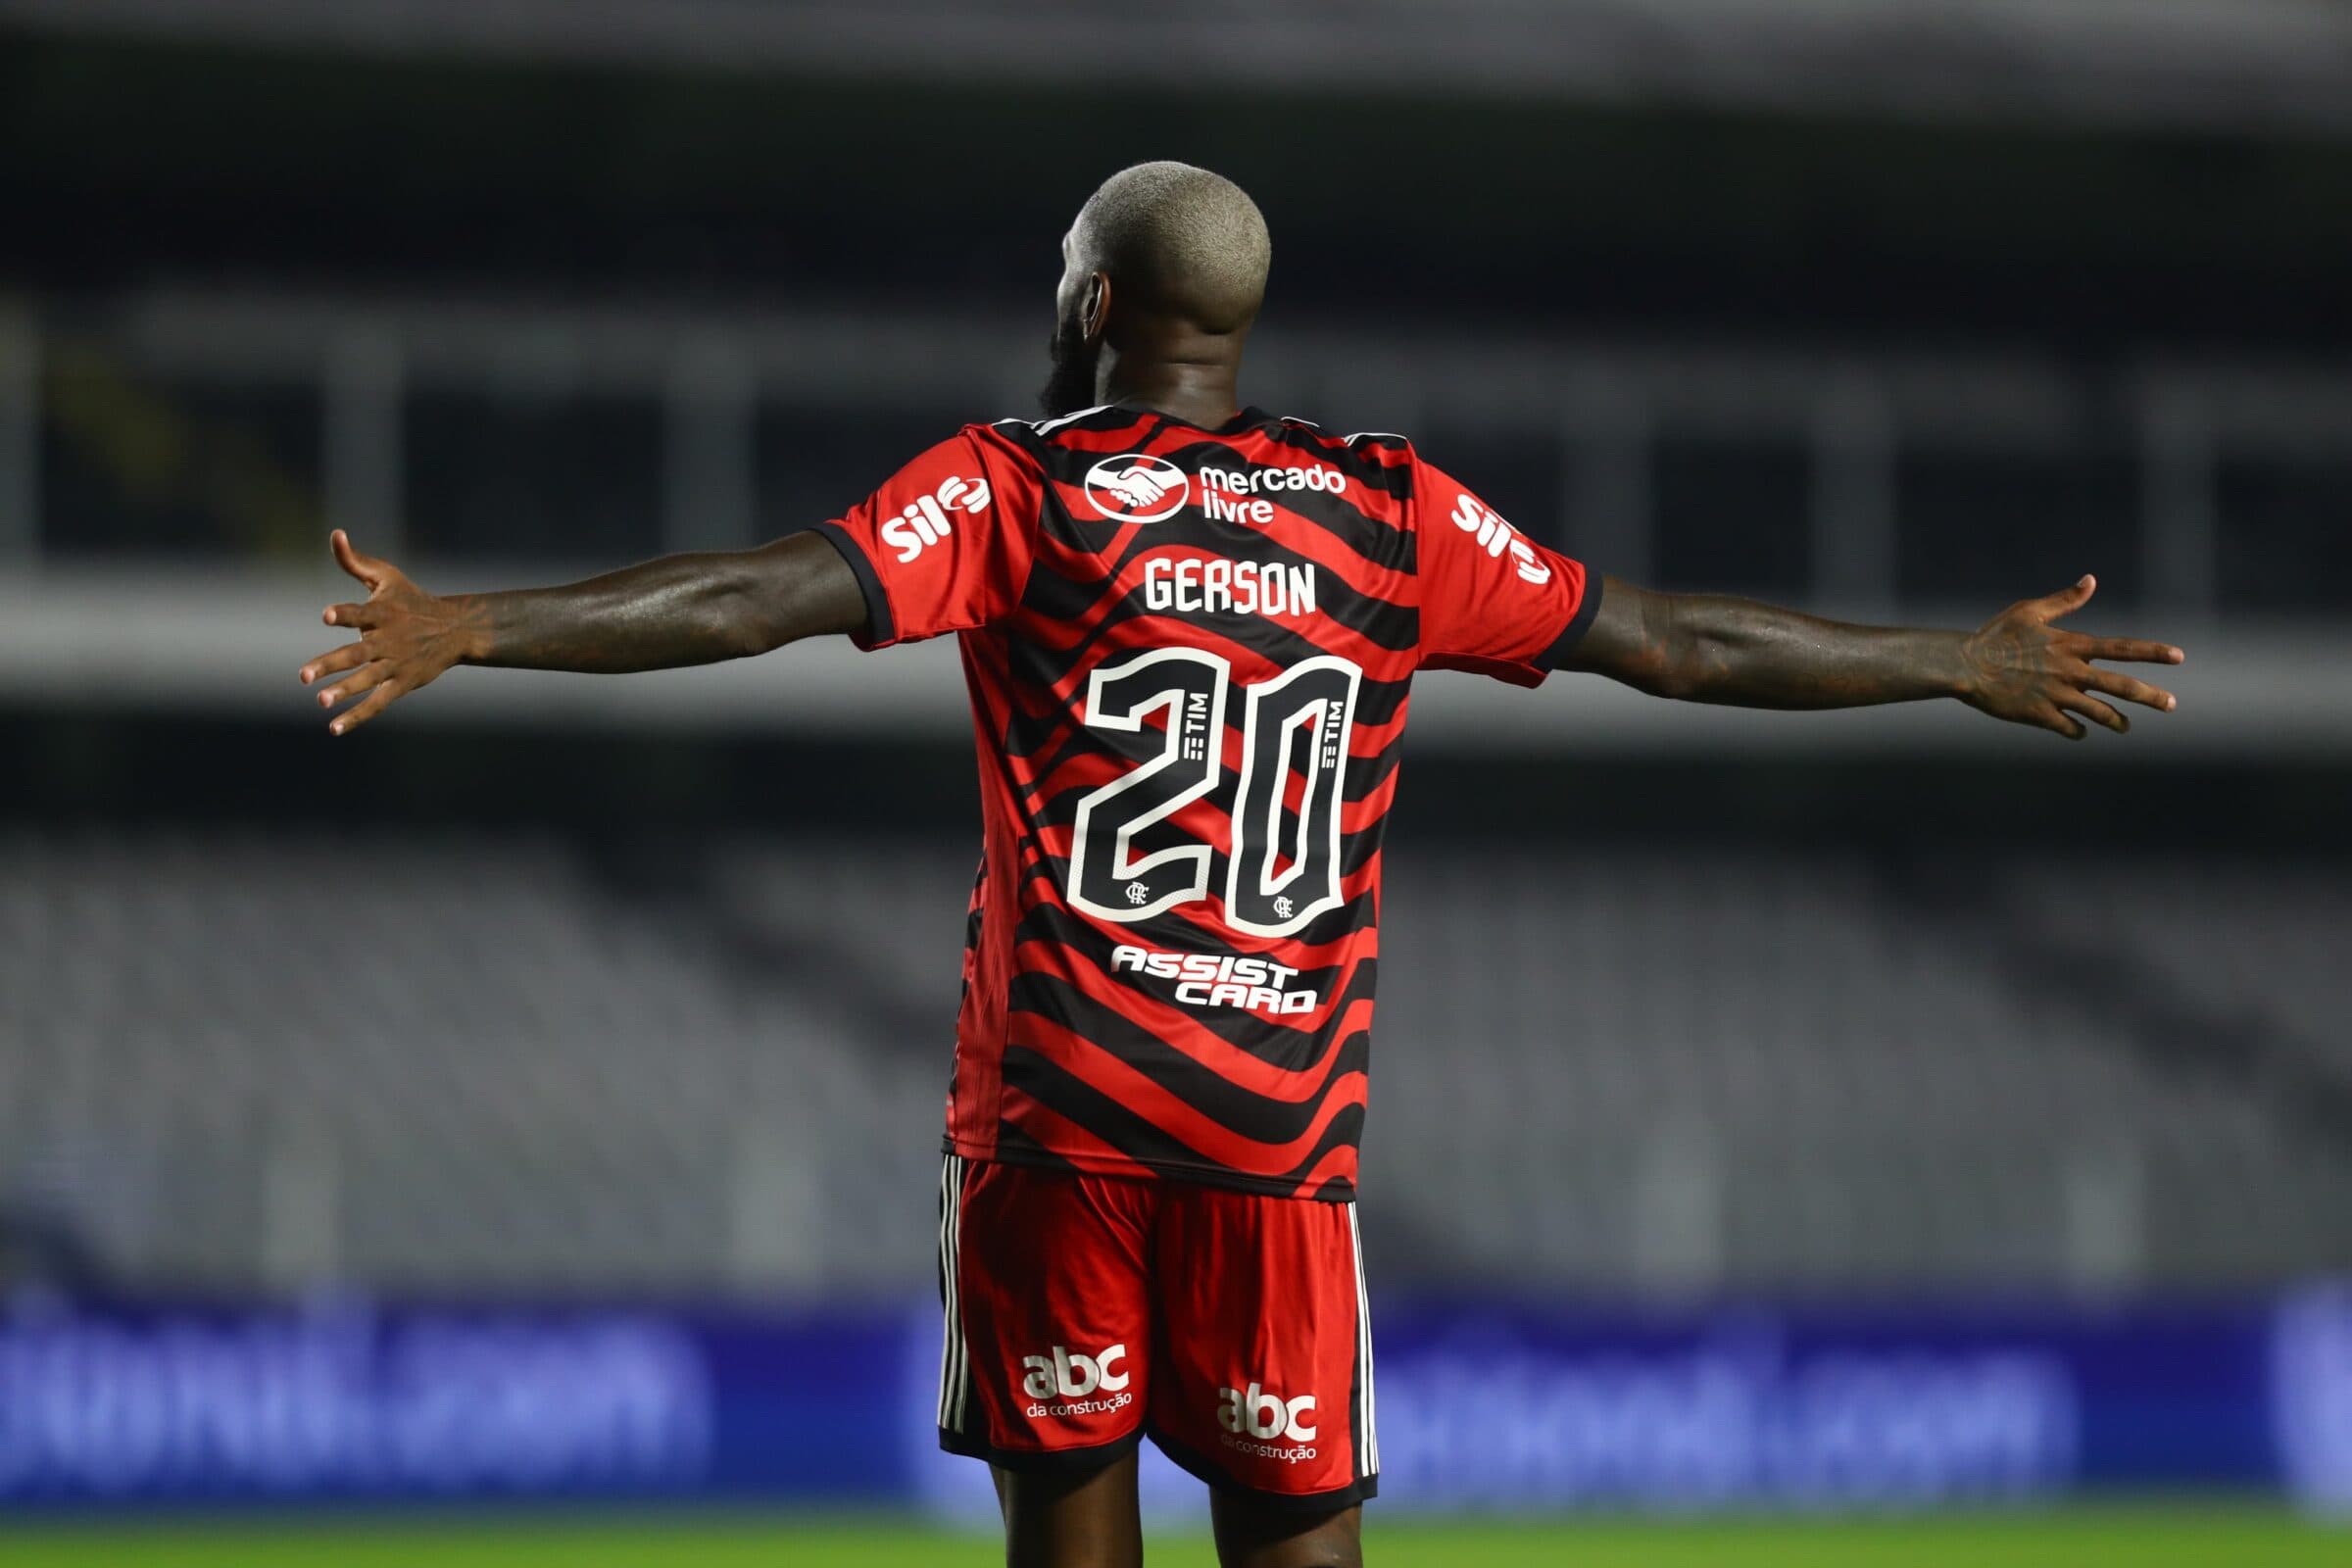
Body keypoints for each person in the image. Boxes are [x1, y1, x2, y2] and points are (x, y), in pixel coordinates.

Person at [298, 162, 2183, 1568]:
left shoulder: (1024, 486)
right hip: (1275, 1147)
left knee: (1072, 1533)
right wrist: (1959, 659)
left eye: (1065, 270)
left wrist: (476, 623)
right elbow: (1675, 644)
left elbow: (757, 600)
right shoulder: (1383, 507)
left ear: (1099, 302)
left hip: (1062, 1132)